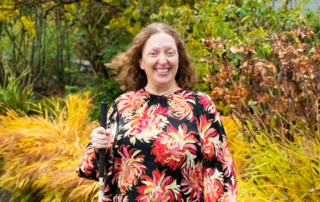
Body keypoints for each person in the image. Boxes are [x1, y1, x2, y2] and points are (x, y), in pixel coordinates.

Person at [76, 22, 237, 202]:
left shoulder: (200, 105)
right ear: (141, 61)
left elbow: (220, 172)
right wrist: (97, 147)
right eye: (153, 53)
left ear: (179, 59)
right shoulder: (122, 105)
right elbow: (91, 169)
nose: (163, 60)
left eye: (170, 52)